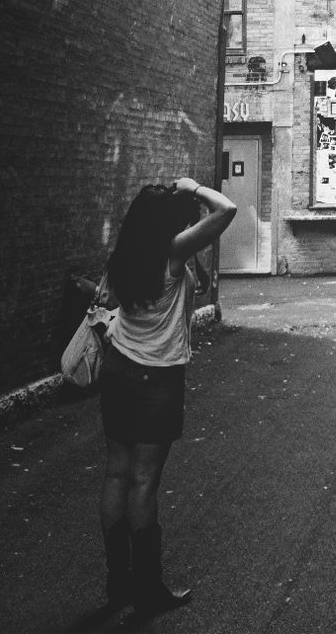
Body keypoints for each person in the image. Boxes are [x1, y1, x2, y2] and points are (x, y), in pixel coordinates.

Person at [97, 177, 236, 616]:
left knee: (117, 473)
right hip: (155, 378)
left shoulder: (122, 256)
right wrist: (194, 187)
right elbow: (227, 211)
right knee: (143, 480)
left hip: (117, 369)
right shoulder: (171, 251)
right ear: (166, 221)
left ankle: (118, 584)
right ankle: (148, 590)